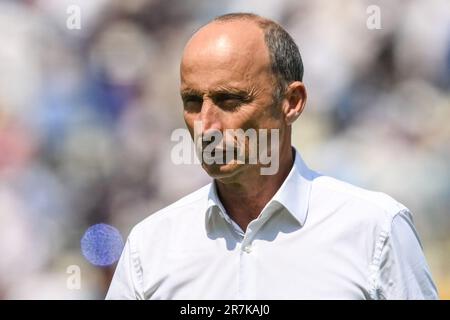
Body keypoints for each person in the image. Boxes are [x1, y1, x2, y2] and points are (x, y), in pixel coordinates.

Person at [106, 13, 438, 299]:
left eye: (230, 100)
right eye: (192, 102)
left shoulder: (374, 229)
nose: (205, 125)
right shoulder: (149, 248)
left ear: (291, 102)